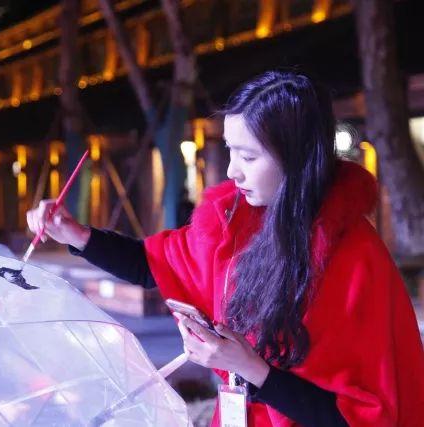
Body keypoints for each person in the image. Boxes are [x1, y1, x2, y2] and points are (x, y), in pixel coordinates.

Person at [26, 71, 424, 426]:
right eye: (231, 150)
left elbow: (362, 415)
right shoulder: (232, 223)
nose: (233, 171)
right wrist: (75, 234)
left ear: (297, 158)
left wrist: (251, 369)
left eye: (248, 156)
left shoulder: (354, 259)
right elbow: (154, 264)